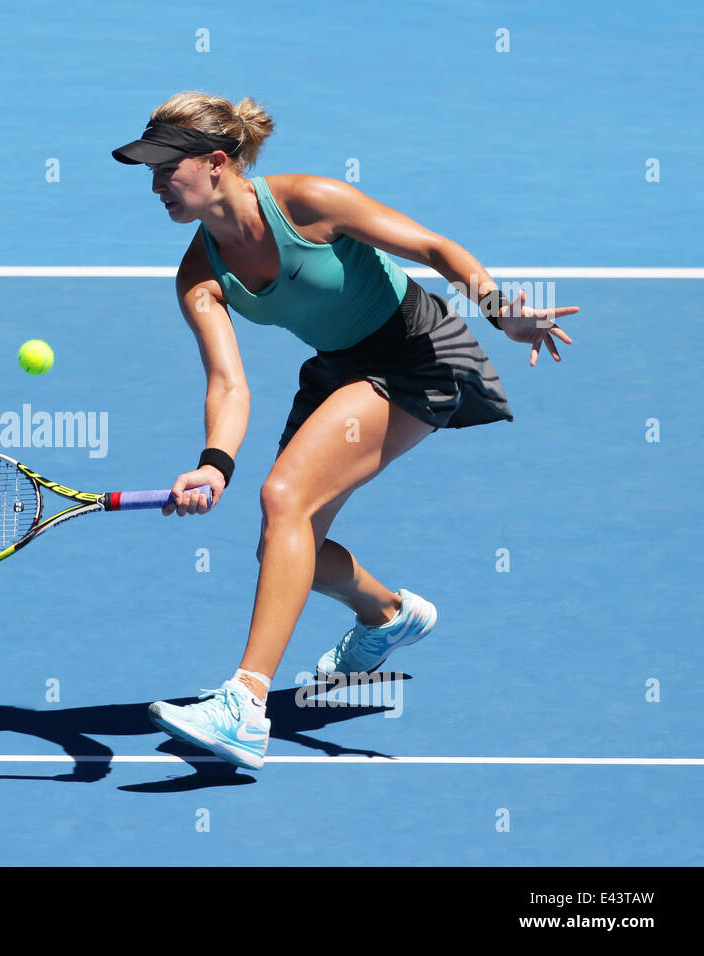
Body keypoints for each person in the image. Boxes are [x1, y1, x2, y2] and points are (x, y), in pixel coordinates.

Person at [111, 91, 578, 770]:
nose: (155, 185)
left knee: (284, 501)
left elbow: (432, 247)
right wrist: (215, 464)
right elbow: (228, 385)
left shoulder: (307, 201)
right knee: (289, 543)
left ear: (217, 163)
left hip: (417, 355)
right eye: (148, 171)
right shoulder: (197, 274)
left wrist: (501, 308)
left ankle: (244, 704)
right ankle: (390, 615)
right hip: (341, 370)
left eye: (165, 168)